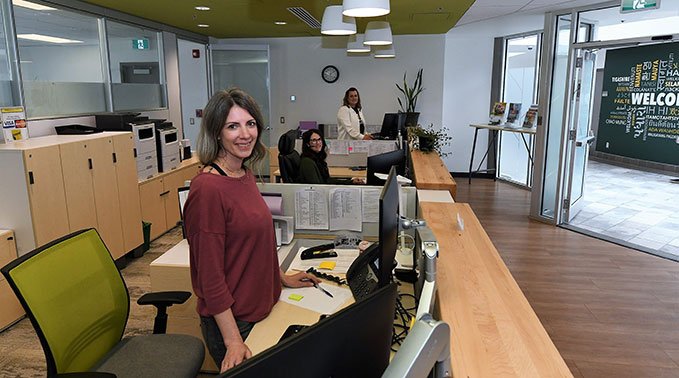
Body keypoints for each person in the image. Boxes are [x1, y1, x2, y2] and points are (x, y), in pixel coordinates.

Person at [183, 88, 320, 373]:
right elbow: (209, 277)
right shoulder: (207, 189)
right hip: (236, 322)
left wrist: (281, 278)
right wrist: (233, 341)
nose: (245, 134)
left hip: (263, 306)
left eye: (250, 123)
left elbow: (253, 246)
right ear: (216, 133)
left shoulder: (243, 173)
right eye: (232, 126)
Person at [298, 129, 365, 184]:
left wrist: (351, 182)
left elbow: (327, 180)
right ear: (307, 144)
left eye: (319, 139)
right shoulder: (307, 162)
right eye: (314, 140)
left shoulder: (317, 158)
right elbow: (316, 187)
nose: (318, 143)